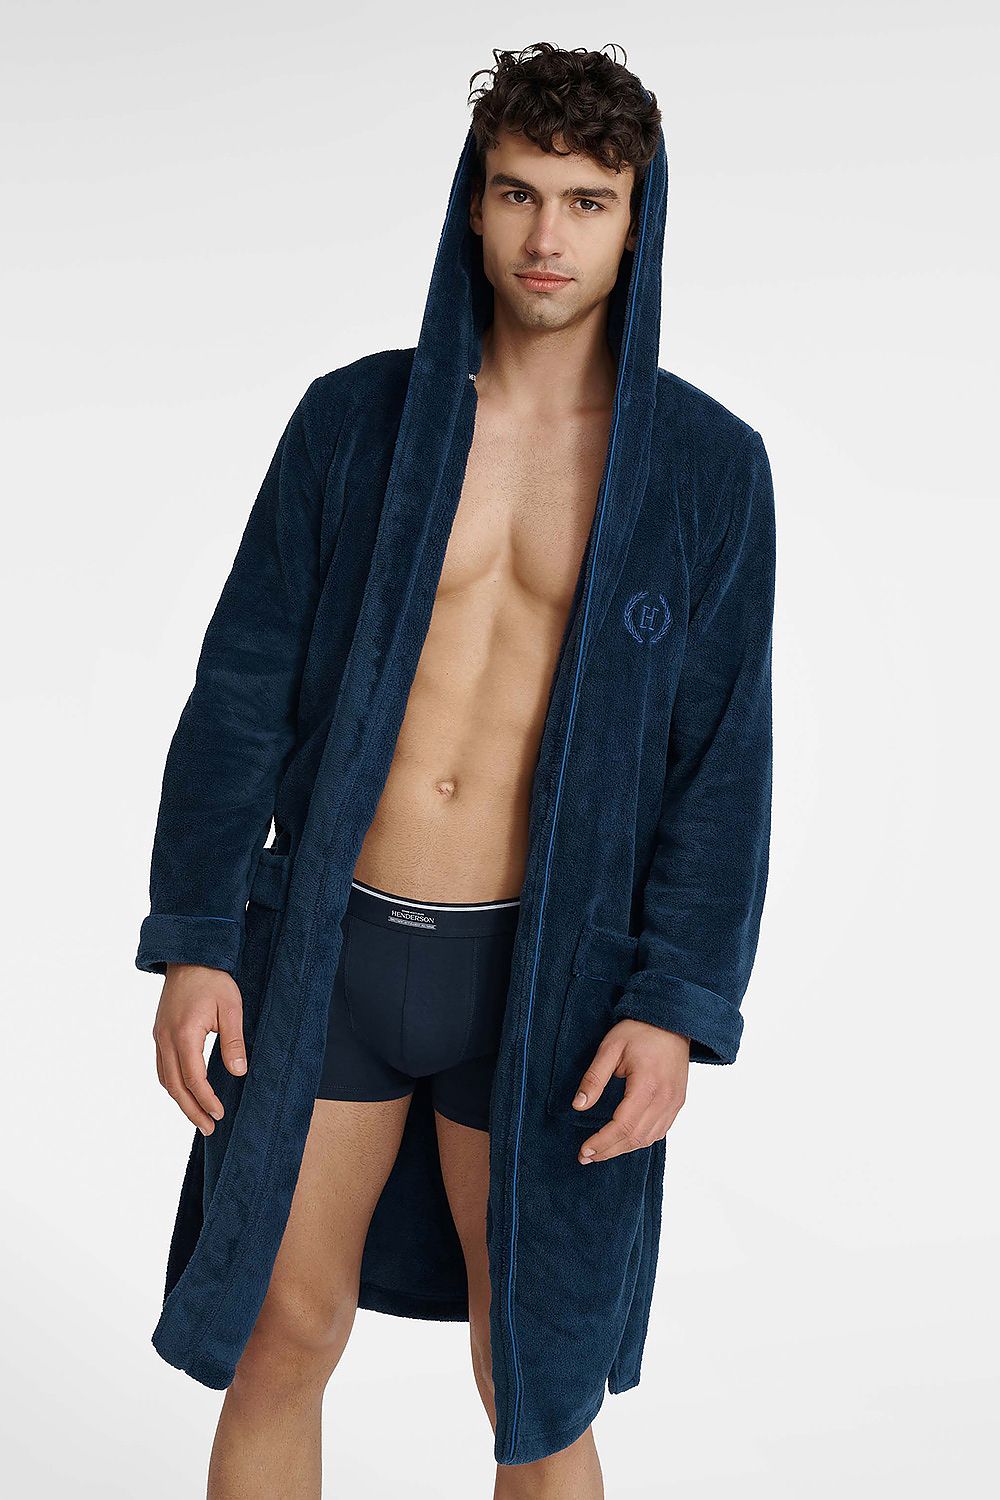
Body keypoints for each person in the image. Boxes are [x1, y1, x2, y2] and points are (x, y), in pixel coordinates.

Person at [138, 41, 775, 1499]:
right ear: (472, 204)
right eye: (517, 193)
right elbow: (238, 692)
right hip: (333, 952)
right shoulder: (352, 422)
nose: (548, 235)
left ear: (636, 218)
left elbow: (722, 762)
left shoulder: (704, 469)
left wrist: (677, 1005)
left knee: (531, 1377)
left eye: (587, 200)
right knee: (283, 1334)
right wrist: (195, 937)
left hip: (548, 980)